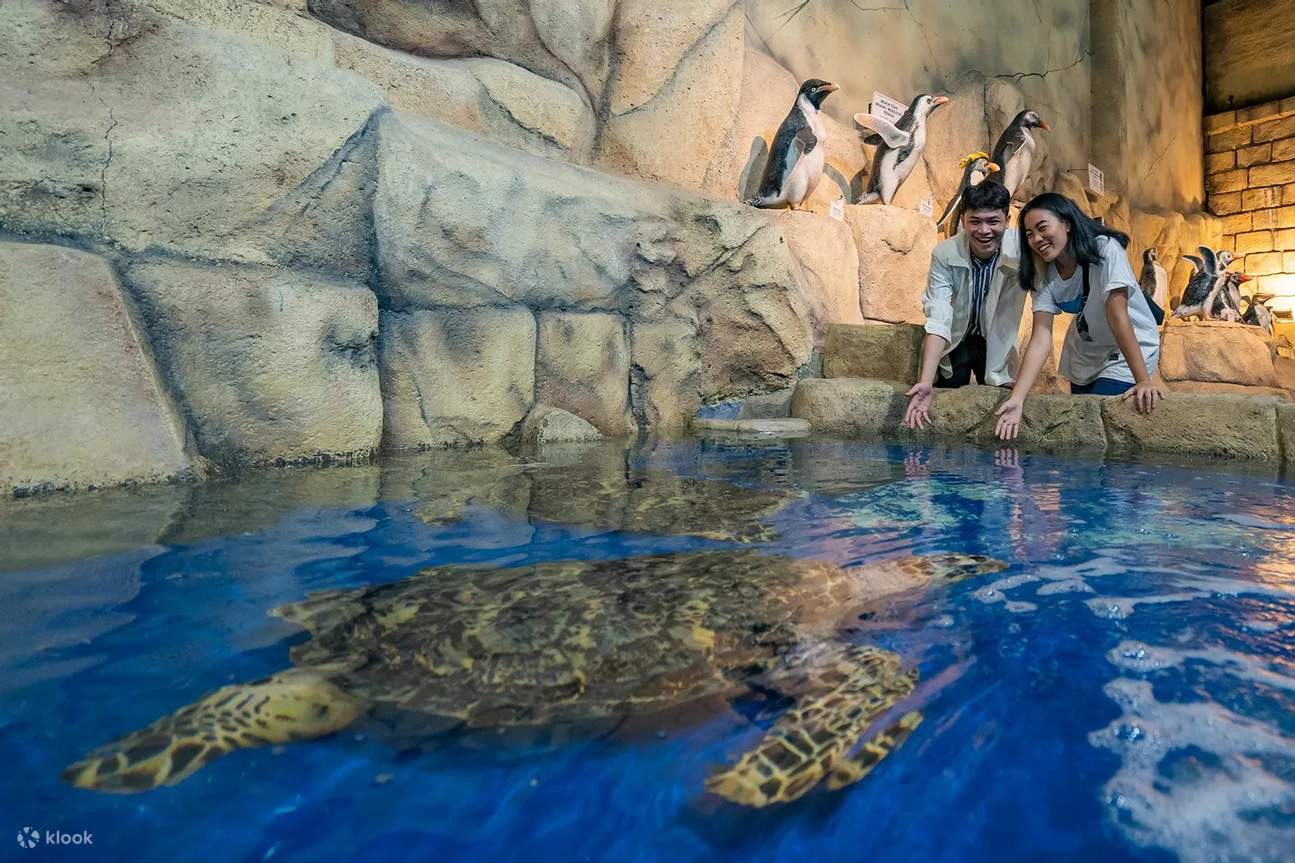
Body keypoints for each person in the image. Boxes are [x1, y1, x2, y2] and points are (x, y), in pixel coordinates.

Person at [994, 193, 1164, 441]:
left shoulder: (1105, 249)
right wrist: (1017, 399)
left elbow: (1118, 317)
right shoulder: (1042, 271)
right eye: (1029, 234)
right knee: (1085, 430)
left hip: (1125, 352)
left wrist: (1143, 381)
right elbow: (1041, 336)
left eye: (1042, 228)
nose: (1037, 239)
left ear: (1067, 223)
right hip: (1085, 353)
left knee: (1103, 429)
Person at [904, 181, 1026, 430]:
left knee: (998, 409)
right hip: (958, 340)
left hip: (997, 340)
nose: (984, 230)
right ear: (963, 219)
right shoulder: (945, 253)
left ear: (1007, 219)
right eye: (975, 221)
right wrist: (926, 381)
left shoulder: (1023, 251)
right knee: (944, 408)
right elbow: (939, 315)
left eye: (993, 221)